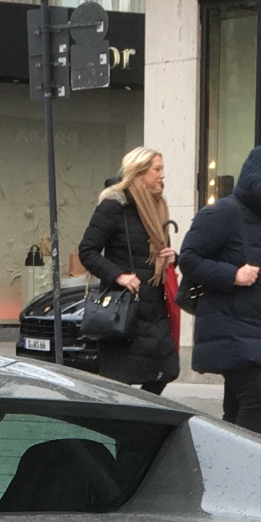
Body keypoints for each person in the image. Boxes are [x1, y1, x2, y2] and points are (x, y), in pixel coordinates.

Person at [177, 143, 261, 433]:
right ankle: (246, 468)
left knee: (237, 407)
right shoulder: (223, 213)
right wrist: (233, 275)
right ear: (257, 183)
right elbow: (189, 259)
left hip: (259, 332)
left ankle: (224, 465)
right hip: (229, 327)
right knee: (257, 399)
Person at [77, 146, 179, 394]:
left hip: (155, 305)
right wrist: (118, 275)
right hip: (125, 308)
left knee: (166, 371)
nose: (162, 175)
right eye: (157, 169)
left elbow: (156, 252)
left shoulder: (158, 207)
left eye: (162, 169)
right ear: (140, 172)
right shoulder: (115, 206)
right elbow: (87, 251)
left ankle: (143, 414)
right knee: (121, 381)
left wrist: (173, 256)